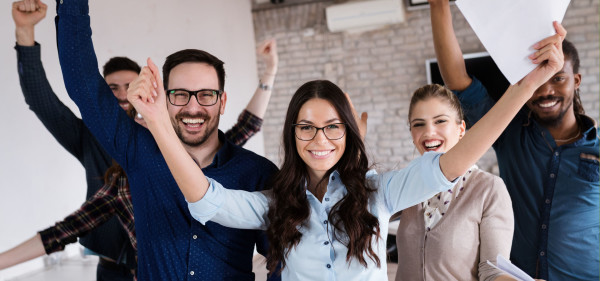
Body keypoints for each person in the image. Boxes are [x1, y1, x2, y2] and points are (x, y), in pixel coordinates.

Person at [128, 21, 565, 280]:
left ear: (349, 132)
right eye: (307, 127)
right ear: (293, 134)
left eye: (332, 127)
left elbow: (459, 156)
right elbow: (205, 197)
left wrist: (527, 85)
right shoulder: (277, 204)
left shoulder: (380, 192)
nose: (320, 139)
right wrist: (157, 121)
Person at [54, 0, 281, 280]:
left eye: (206, 94)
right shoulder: (140, 151)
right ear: (164, 98)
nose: (192, 107)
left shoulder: (258, 172)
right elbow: (83, 84)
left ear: (222, 102)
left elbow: (279, 259)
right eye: (180, 94)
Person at [428, 1, 599, 280]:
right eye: (537, 79)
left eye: (557, 78)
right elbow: (457, 81)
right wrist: (438, 6)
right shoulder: (510, 131)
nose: (546, 90)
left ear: (576, 80)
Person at [394, 84, 514, 281]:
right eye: (418, 124)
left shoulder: (489, 188)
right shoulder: (407, 184)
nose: (429, 132)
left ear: (461, 129)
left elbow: (493, 271)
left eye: (440, 121)